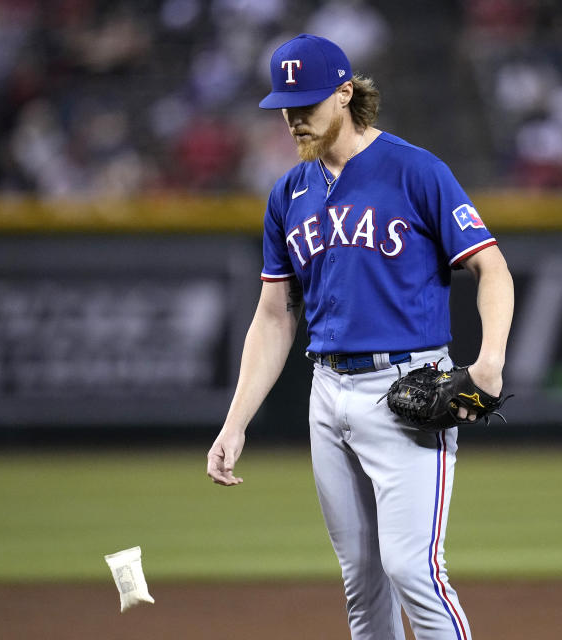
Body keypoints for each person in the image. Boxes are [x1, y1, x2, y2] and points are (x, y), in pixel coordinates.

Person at [207, 34, 514, 640]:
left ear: (346, 94)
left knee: (413, 570)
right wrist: (235, 421)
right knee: (363, 586)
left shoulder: (414, 169)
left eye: (308, 103)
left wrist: (490, 362)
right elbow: (273, 316)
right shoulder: (287, 194)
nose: (295, 118)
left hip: (408, 387)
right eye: (286, 107)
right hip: (327, 393)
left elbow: (492, 267)